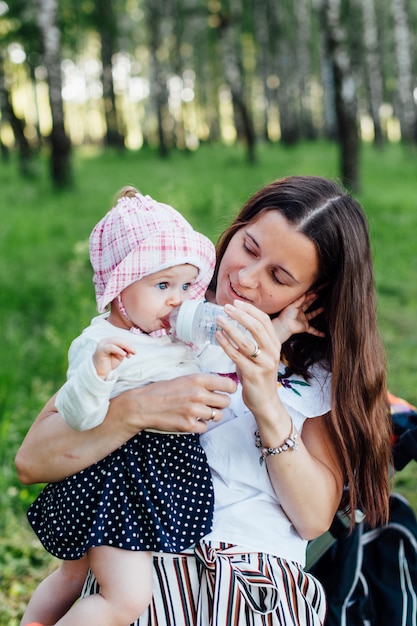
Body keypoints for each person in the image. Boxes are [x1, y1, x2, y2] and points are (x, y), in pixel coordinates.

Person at [16, 175, 392, 626]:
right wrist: (138, 409)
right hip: (145, 568)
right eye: (249, 248)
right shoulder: (158, 322)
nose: (245, 278)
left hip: (255, 590)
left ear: (309, 296)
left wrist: (265, 401)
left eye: (278, 276)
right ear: (235, 229)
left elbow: (312, 519)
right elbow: (33, 461)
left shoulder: (317, 373)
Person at [20, 187, 218, 626]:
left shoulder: (170, 336)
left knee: (73, 575)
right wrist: (96, 374)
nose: (177, 299)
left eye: (186, 285)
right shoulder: (101, 343)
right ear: (117, 291)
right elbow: (79, 415)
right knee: (125, 598)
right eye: (162, 285)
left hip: (152, 476)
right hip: (117, 478)